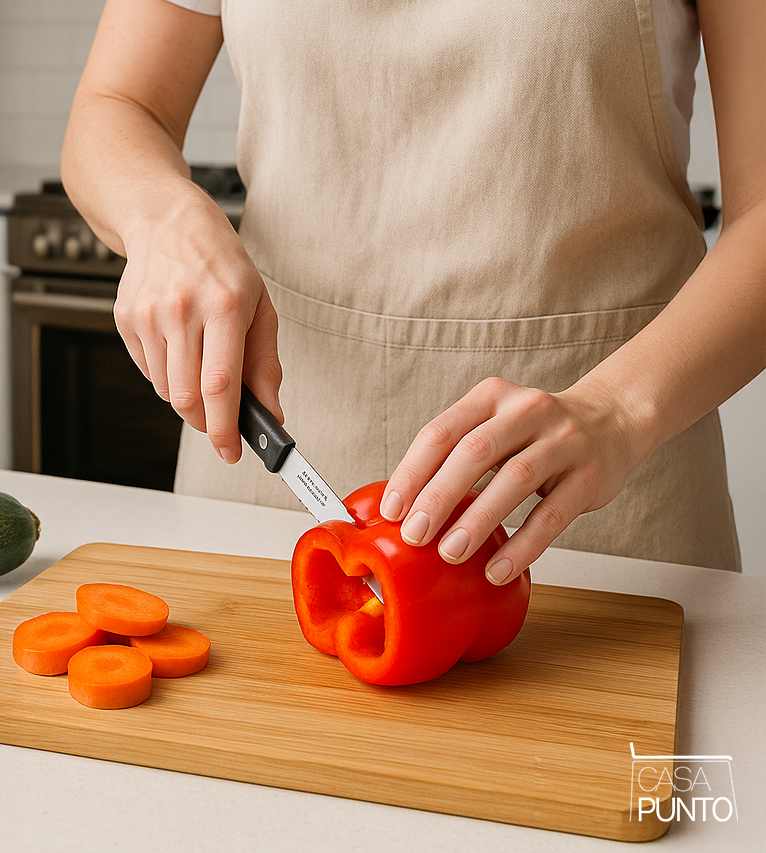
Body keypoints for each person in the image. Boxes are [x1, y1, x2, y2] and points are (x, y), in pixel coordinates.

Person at [61, 0, 764, 583]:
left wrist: (614, 411)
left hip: (594, 498)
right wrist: (162, 216)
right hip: (268, 468)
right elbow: (118, 103)